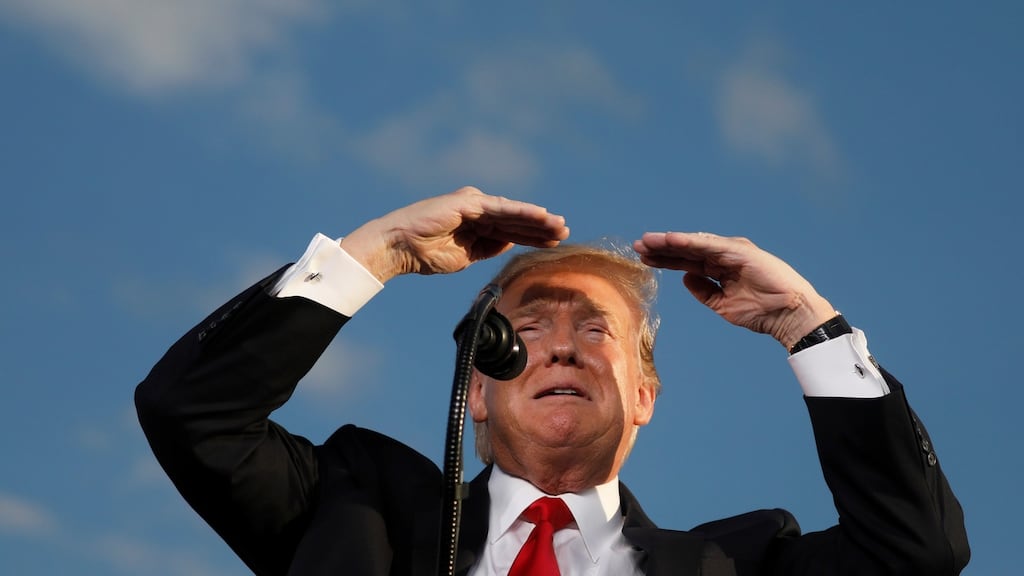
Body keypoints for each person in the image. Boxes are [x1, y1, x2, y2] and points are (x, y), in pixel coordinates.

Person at [135, 187, 970, 575]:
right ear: (477, 390)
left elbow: (916, 553)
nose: (562, 348)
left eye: (596, 331)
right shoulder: (355, 513)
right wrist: (374, 253)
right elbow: (192, 411)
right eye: (527, 331)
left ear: (644, 396)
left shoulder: (738, 562)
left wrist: (806, 324)